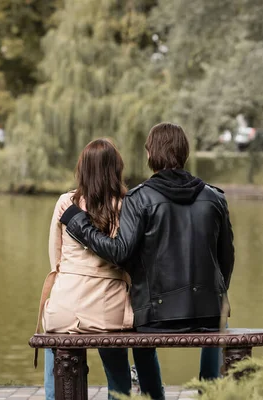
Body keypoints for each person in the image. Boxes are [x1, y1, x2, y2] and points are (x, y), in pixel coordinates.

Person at [60, 122, 235, 381]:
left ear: (151, 154)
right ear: (184, 153)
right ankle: (209, 390)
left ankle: (152, 395)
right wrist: (215, 297)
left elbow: (120, 252)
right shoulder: (215, 197)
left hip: (156, 318)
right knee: (220, 324)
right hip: (209, 312)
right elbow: (226, 258)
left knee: (139, 340)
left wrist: (79, 223)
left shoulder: (139, 198)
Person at [37, 138, 164, 400]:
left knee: (55, 345)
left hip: (67, 306)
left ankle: (54, 396)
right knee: (117, 369)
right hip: (110, 310)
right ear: (117, 169)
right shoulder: (128, 204)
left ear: (82, 169)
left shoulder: (65, 203)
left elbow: (55, 259)